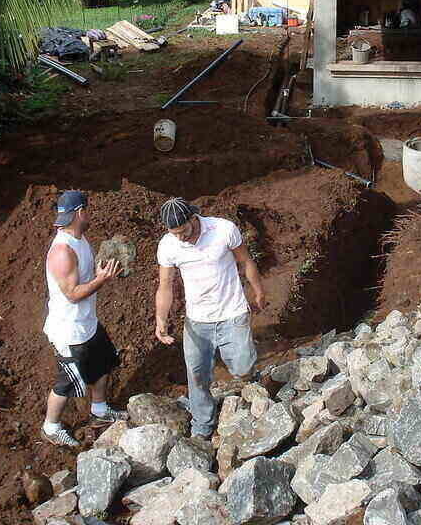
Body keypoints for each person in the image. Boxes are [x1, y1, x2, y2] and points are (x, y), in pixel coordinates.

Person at [155, 197, 266, 440]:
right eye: (175, 233)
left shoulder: (223, 229)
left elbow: (245, 261)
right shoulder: (168, 246)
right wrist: (160, 319)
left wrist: (258, 291)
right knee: (197, 375)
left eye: (184, 231)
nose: (181, 237)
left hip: (232, 312)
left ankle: (254, 389)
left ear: (193, 218)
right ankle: (202, 425)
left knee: (243, 366)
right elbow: (165, 286)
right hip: (197, 321)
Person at [41, 190, 128, 447]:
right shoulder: (62, 252)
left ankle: (99, 411)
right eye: (87, 210)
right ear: (80, 212)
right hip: (69, 331)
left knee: (104, 363)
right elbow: (72, 294)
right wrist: (101, 280)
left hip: (87, 323)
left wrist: (102, 271)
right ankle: (50, 427)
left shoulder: (79, 238)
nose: (89, 213)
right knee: (66, 383)